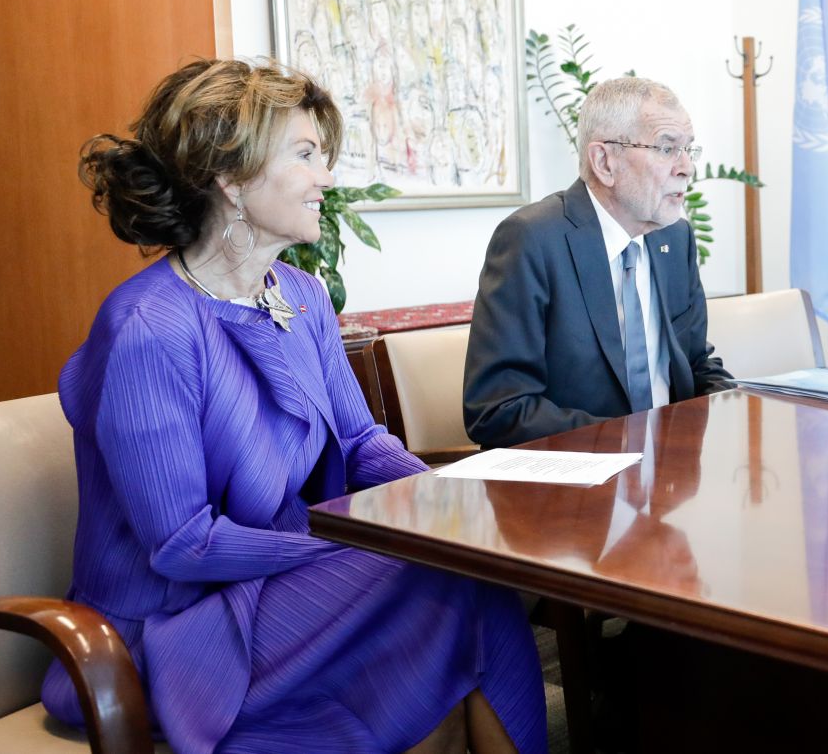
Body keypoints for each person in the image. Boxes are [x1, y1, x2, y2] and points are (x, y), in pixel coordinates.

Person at [52, 59, 545, 754]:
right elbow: (181, 546)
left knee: (468, 567)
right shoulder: (150, 331)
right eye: (306, 155)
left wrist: (448, 499)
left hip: (277, 581)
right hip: (178, 624)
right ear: (229, 177)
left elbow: (360, 440)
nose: (327, 178)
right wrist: (364, 539)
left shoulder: (302, 296)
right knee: (453, 576)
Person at [465, 76, 732, 447]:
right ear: (604, 161)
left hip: (669, 479)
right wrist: (629, 439)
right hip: (572, 486)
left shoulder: (675, 237)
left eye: (689, 150)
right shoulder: (532, 241)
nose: (686, 167)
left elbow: (696, 364)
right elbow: (498, 409)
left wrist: (739, 408)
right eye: (667, 149)